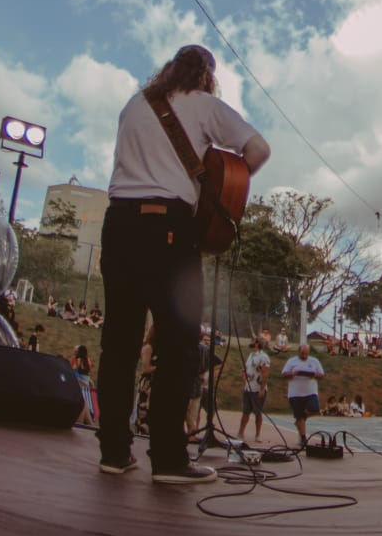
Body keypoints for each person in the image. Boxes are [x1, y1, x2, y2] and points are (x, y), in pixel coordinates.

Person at [94, 44, 269, 485]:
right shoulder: (205, 104)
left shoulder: (134, 105)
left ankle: (114, 453)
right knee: (178, 347)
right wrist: (225, 182)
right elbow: (259, 149)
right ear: (208, 75)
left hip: (118, 225)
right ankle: (169, 459)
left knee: (118, 344)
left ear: (169, 69)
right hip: (170, 228)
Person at [282, 343, 325, 446]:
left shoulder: (314, 361)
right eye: (302, 353)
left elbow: (322, 375)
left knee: (315, 408)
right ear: (299, 352)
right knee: (299, 416)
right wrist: (294, 374)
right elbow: (284, 374)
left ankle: (301, 419)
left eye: (306, 353)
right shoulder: (292, 361)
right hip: (295, 393)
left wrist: (314, 374)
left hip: (310, 392)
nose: (304, 355)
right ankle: (303, 438)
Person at [237, 337, 272, 443]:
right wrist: (244, 372)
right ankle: (240, 432)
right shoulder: (250, 355)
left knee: (258, 413)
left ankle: (257, 435)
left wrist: (262, 389)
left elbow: (265, 373)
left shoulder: (263, 357)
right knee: (245, 411)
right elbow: (248, 368)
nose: (251, 342)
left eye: (253, 341)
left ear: (257, 344)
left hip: (257, 388)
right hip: (248, 388)